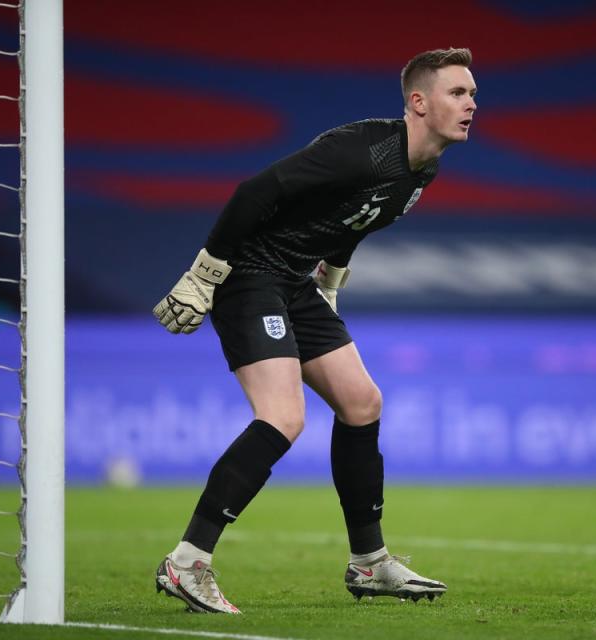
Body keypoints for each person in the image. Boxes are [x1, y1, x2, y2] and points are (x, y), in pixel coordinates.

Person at [152, 47, 477, 614]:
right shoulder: (362, 150)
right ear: (418, 103)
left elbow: (358, 219)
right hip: (250, 275)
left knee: (362, 402)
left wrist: (330, 282)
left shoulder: (423, 167)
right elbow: (255, 192)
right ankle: (187, 563)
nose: (472, 104)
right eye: (458, 93)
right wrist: (204, 274)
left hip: (296, 283)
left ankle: (370, 563)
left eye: (473, 94)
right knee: (283, 416)